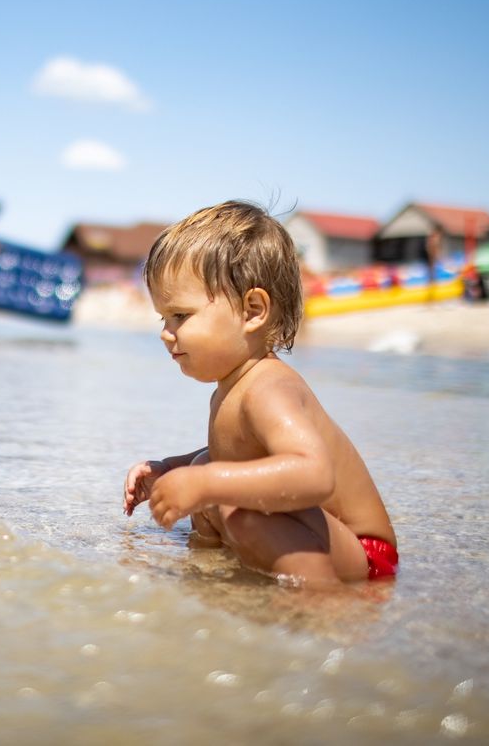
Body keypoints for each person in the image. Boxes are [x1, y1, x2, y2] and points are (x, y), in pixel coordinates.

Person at [123, 200, 397, 587]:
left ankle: (324, 606)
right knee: (205, 471)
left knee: (226, 495)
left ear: (253, 310)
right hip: (319, 537)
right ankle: (212, 581)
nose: (166, 332)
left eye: (181, 316)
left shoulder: (269, 387)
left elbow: (315, 474)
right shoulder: (232, 384)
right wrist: (170, 468)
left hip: (364, 555)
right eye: (163, 318)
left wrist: (207, 482)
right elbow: (224, 454)